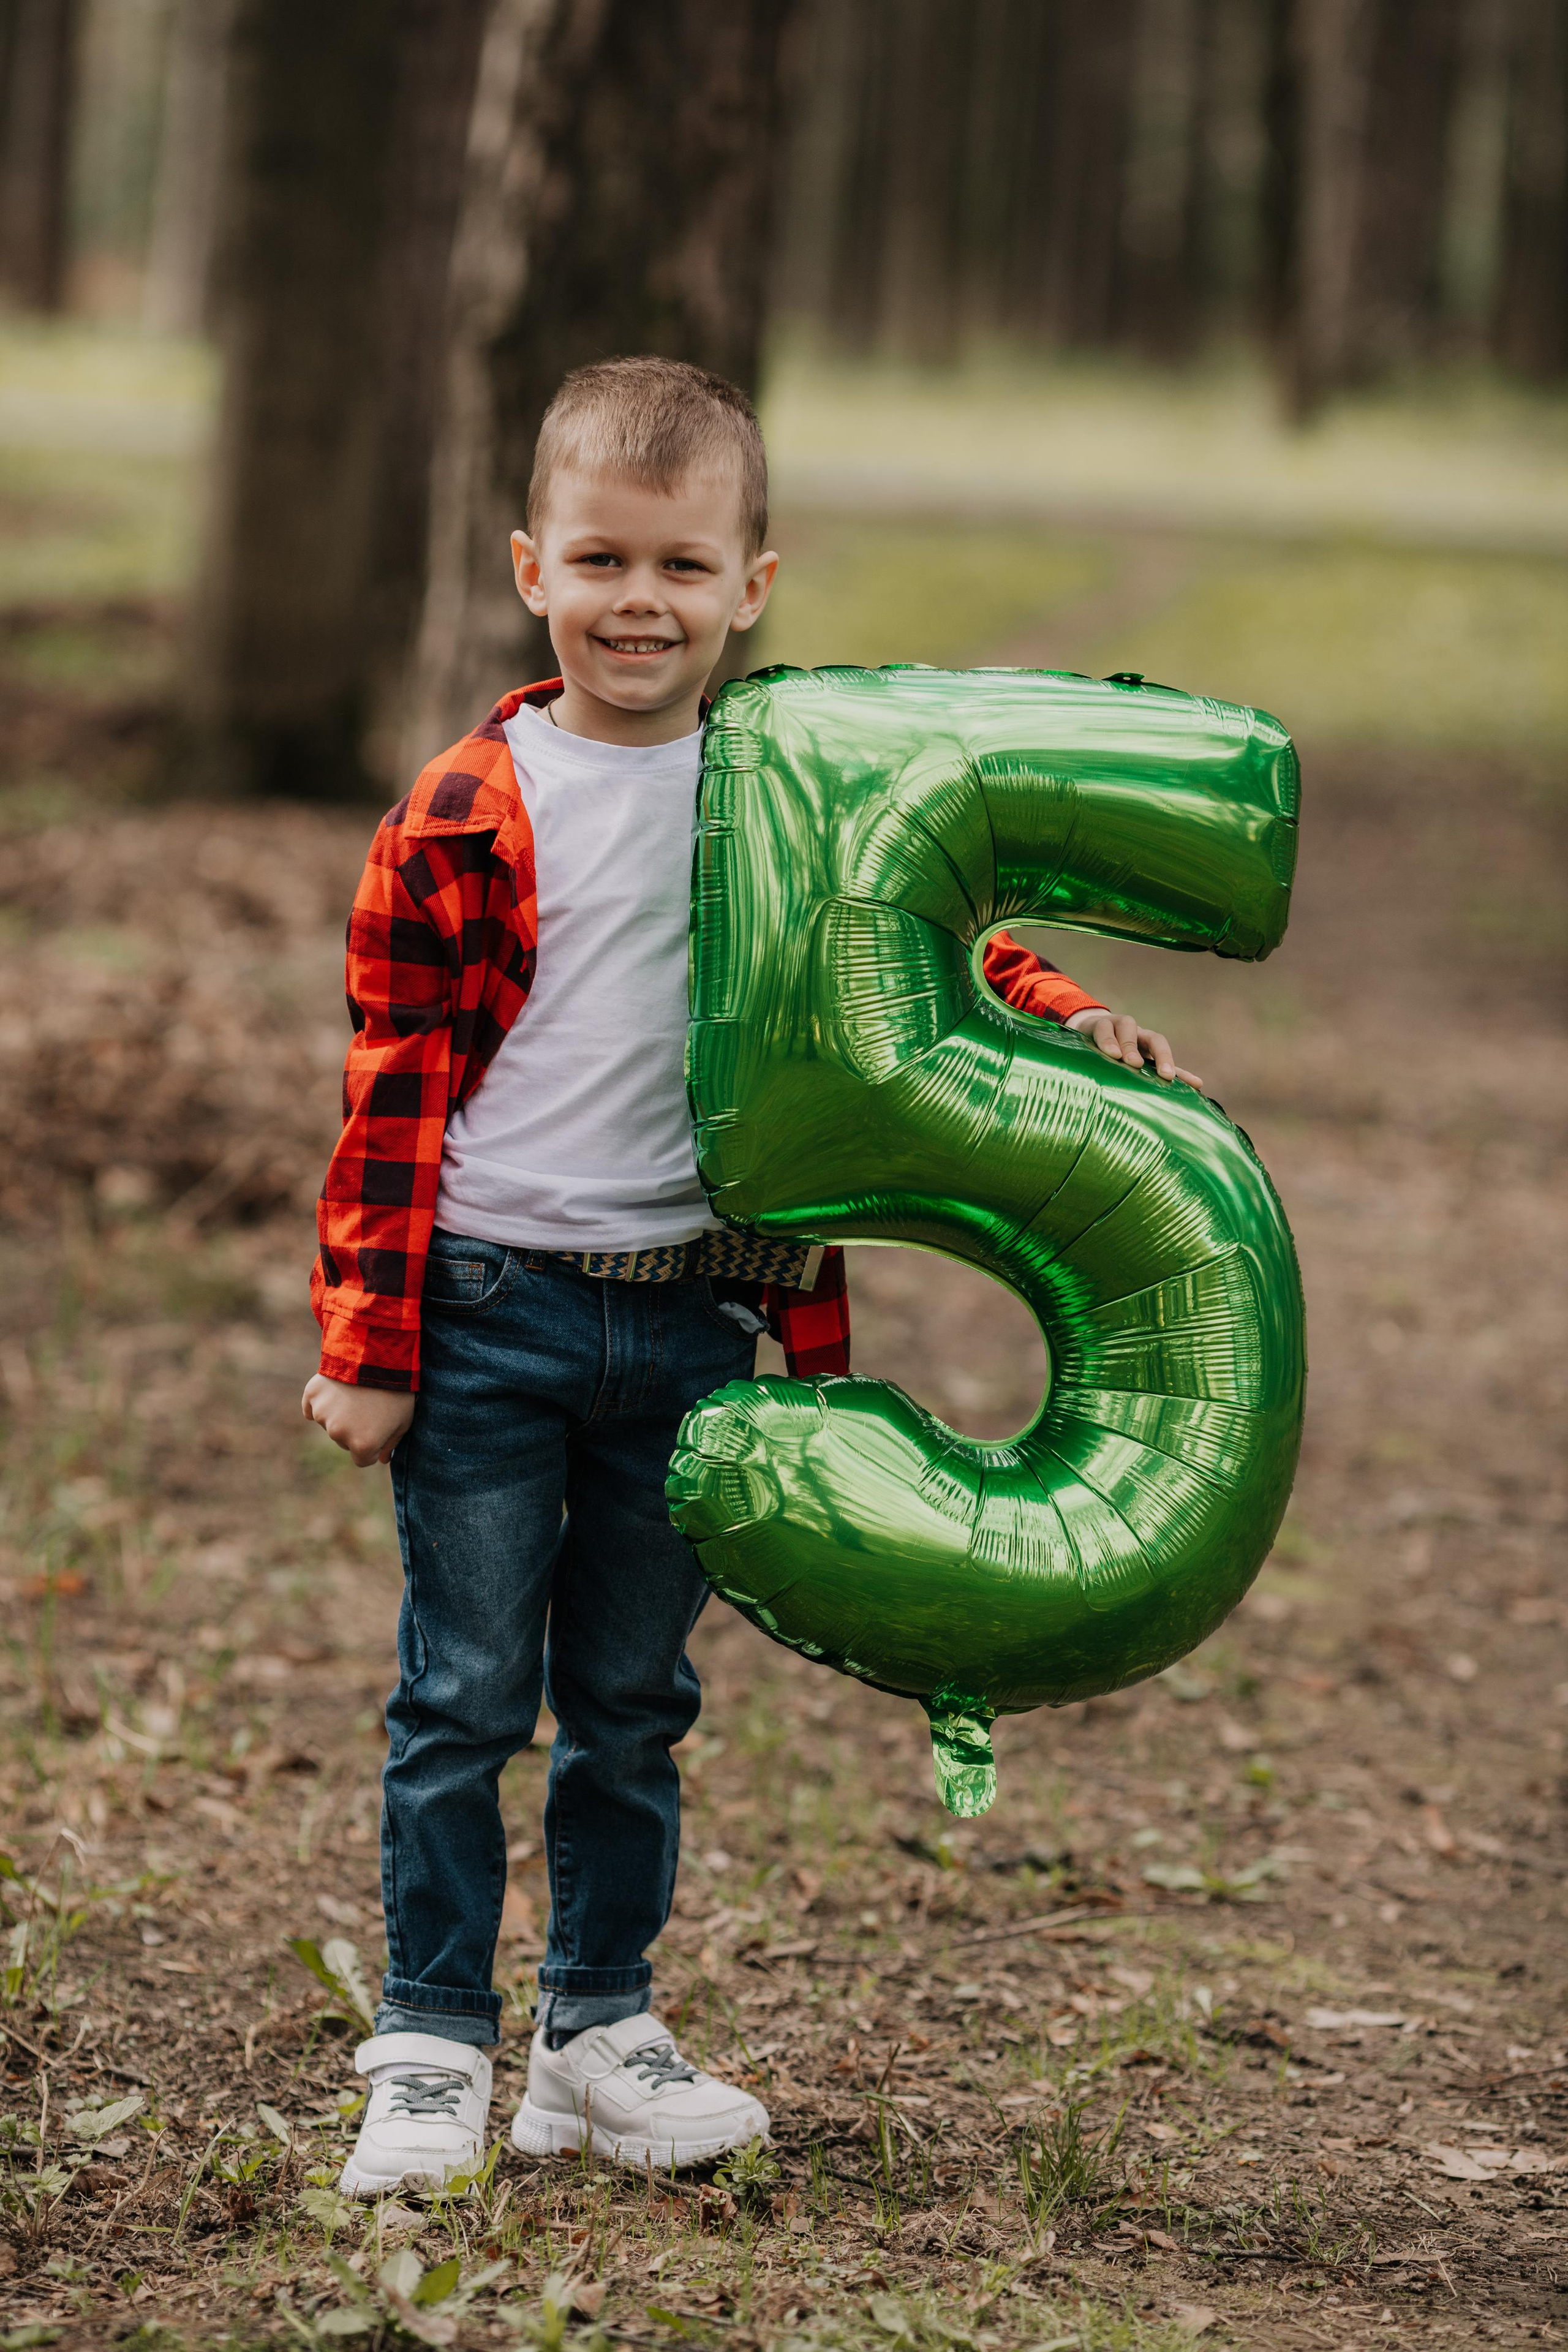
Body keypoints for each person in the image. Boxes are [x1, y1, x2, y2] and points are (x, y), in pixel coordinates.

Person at [302, 356, 1197, 2196]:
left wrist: (1066, 1015)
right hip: (491, 1304)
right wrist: (371, 1340)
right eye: (605, 561)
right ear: (532, 566)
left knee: (635, 1702)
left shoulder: (790, 783)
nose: (645, 603)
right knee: (464, 1695)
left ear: (753, 586)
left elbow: (932, 948)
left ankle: (601, 2033)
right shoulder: (469, 807)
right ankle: (430, 2042)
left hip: (707, 1313)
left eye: (687, 569)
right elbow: (391, 1089)